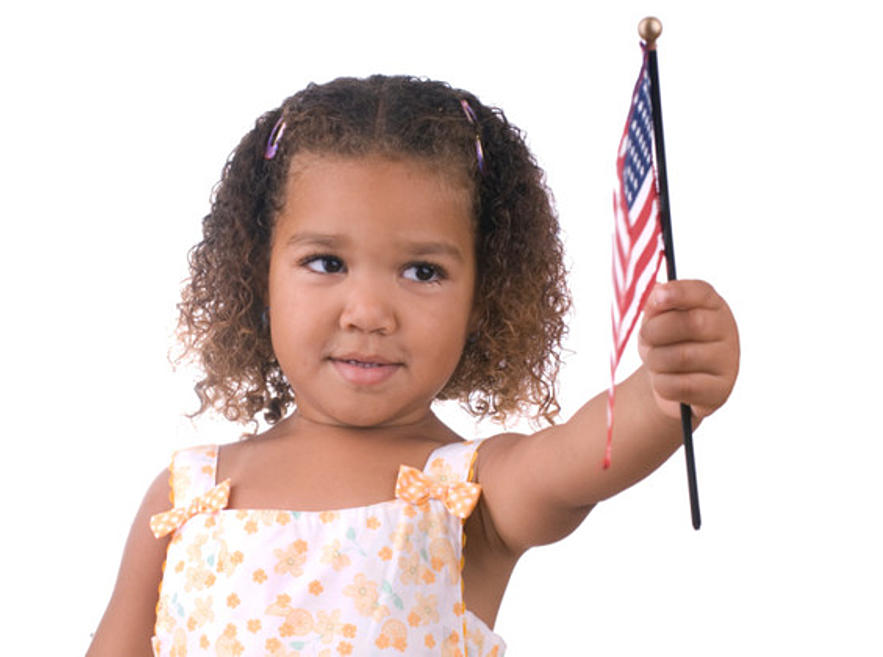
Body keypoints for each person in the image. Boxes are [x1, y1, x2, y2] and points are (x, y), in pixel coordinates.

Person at [87, 75, 739, 657]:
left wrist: (665, 388)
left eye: (422, 271)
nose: (368, 311)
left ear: (482, 295)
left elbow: (578, 457)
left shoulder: (469, 492)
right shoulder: (188, 493)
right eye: (326, 262)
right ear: (259, 272)